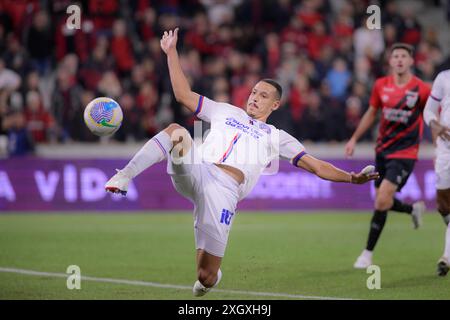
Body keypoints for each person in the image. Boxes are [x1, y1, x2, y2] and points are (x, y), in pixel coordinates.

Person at [105, 28, 379, 297]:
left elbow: (318, 166)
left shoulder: (276, 136)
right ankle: (125, 175)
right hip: (197, 170)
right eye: (254, 92)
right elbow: (183, 95)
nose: (254, 98)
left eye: (263, 96)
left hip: (224, 192)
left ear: (275, 105)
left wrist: (352, 178)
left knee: (206, 276)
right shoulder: (225, 111)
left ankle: (210, 279)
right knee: (176, 131)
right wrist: (171, 53)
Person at [345, 43, 430, 269]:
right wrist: (354, 138)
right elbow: (372, 113)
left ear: (411, 61)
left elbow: (430, 116)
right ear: (390, 61)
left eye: (404, 56)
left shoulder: (421, 89)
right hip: (382, 150)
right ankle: (413, 209)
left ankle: (366, 255)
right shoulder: (381, 85)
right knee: (382, 200)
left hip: (406, 153)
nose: (400, 59)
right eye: (396, 56)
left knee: (382, 198)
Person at [423, 69, 450, 276]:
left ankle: (446, 257)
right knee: (443, 206)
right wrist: (435, 124)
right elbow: (429, 110)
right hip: (445, 149)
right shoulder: (444, 78)